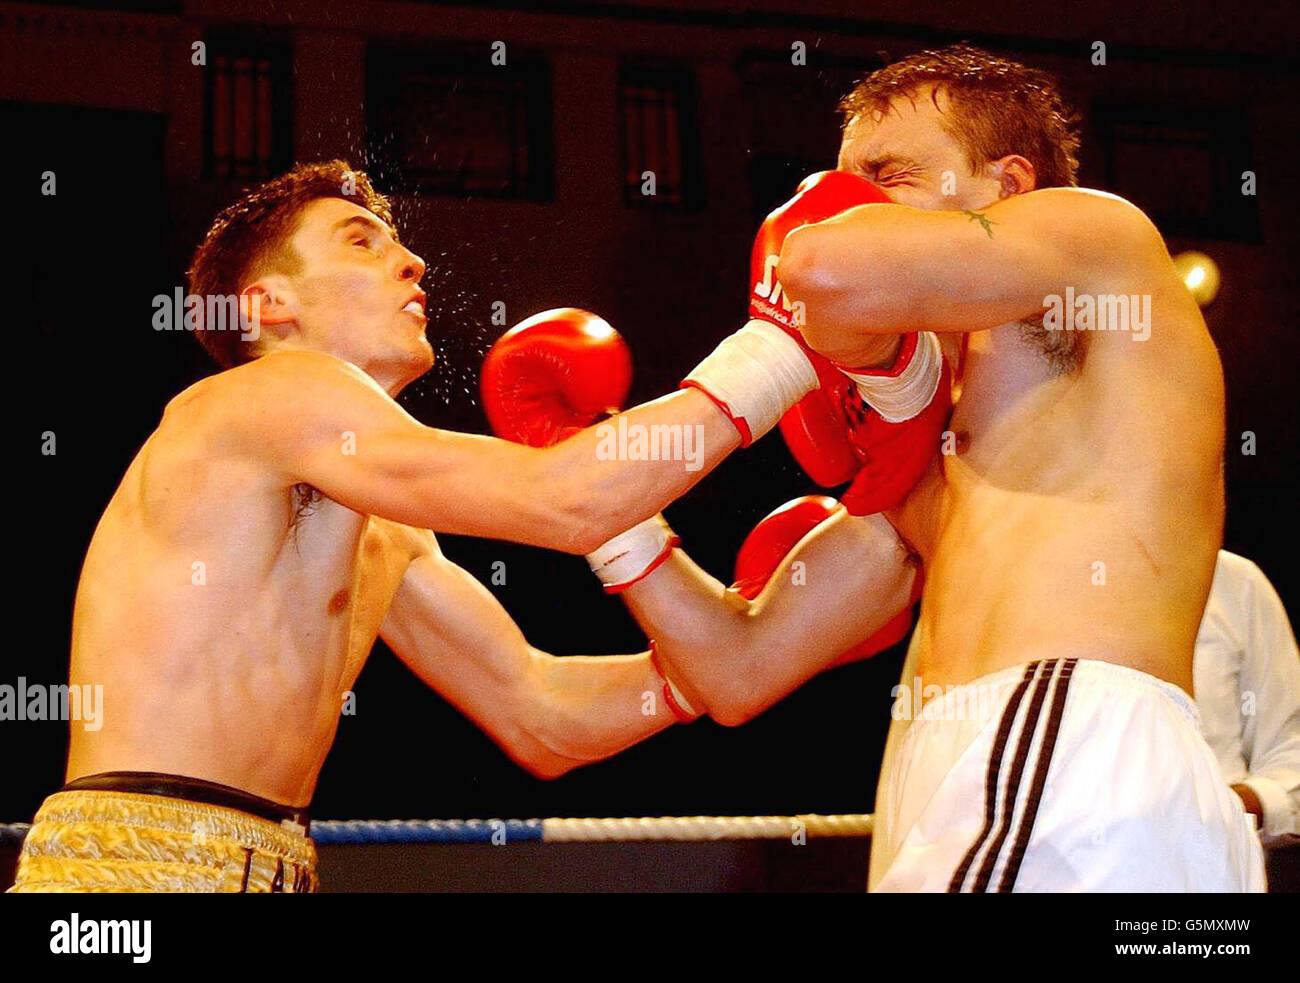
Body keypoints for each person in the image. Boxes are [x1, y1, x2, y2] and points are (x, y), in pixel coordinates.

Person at [10, 158, 898, 893]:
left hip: (273, 863)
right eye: (362, 243)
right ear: (269, 306)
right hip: (132, 862)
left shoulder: (382, 525)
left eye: (401, 245)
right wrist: (784, 345)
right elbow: (566, 499)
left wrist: (722, 653)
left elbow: (540, 712)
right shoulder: (260, 396)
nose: (412, 265)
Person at [496, 43, 1265, 891]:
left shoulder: (1100, 236)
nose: (848, 204)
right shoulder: (934, 446)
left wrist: (821, 345)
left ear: (1007, 186)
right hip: (1028, 775)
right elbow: (736, 669)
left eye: (888, 175)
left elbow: (826, 267)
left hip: (1066, 745)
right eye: (842, 179)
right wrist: (609, 498)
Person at [1194, 550, 1299, 849]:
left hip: (1214, 868)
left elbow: (1290, 754)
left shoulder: (1234, 581)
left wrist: (1224, 809)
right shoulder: (1054, 576)